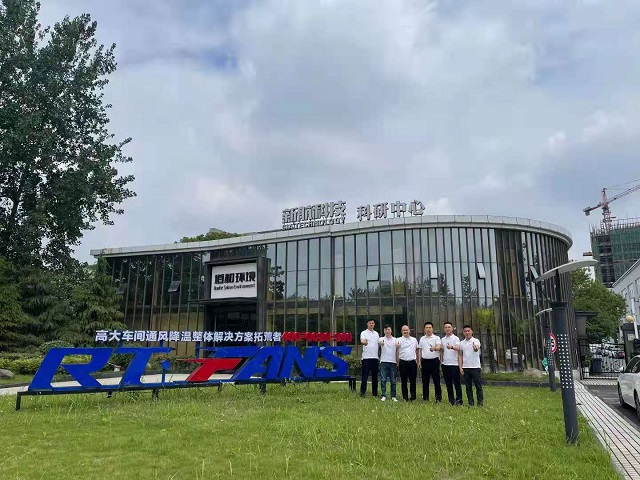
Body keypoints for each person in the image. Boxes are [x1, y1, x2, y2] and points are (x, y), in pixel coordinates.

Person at [458, 324, 483, 407]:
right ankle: (470, 403)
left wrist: (475, 347)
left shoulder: (476, 341)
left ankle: (480, 403)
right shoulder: (461, 343)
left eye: (468, 331)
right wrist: (460, 367)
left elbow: (476, 348)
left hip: (475, 367)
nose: (467, 332)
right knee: (468, 387)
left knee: (478, 386)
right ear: (463, 333)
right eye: (465, 331)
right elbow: (460, 355)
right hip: (466, 368)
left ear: (472, 331)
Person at [418, 321, 442, 402]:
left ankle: (438, 398)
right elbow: (420, 350)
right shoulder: (422, 338)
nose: (428, 329)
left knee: (436, 380)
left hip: (434, 361)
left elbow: (438, 347)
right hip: (425, 361)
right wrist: (419, 361)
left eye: (430, 328)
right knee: (425, 381)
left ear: (432, 329)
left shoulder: (436, 338)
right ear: (424, 329)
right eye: (427, 328)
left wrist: (434, 348)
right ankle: (425, 398)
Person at [440, 321, 463, 405]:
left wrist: (452, 347)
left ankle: (459, 400)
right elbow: (442, 351)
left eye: (449, 327)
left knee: (457, 383)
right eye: (446, 327)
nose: (447, 329)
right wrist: (441, 361)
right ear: (444, 329)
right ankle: (451, 400)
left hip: (454, 364)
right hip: (445, 364)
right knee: (448, 384)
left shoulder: (455, 338)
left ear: (452, 328)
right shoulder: (442, 339)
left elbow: (458, 348)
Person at [396, 325, 419, 402]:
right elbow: (396, 351)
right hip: (403, 362)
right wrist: (397, 362)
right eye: (404, 330)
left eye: (406, 330)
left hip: (412, 362)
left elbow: (417, 350)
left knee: (413, 381)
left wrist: (418, 361)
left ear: (409, 331)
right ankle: (405, 397)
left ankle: (413, 397)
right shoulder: (398, 340)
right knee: (403, 381)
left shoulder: (414, 340)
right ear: (401, 331)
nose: (405, 331)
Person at [360, 319, 380, 397]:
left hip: (375, 358)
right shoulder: (363, 333)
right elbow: (362, 341)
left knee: (375, 377)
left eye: (372, 323)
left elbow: (379, 342)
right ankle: (362, 393)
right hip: (366, 358)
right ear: (367, 324)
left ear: (374, 324)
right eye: (370, 323)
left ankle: (375, 393)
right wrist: (364, 342)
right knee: (365, 376)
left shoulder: (376, 334)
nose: (371, 324)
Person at [378, 325, 398, 402]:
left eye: (388, 329)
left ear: (391, 330)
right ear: (384, 331)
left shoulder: (395, 340)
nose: (387, 331)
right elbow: (380, 343)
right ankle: (383, 395)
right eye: (385, 329)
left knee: (393, 380)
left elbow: (398, 348)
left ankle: (393, 396)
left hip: (393, 362)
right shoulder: (381, 339)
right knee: (383, 379)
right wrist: (381, 343)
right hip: (383, 361)